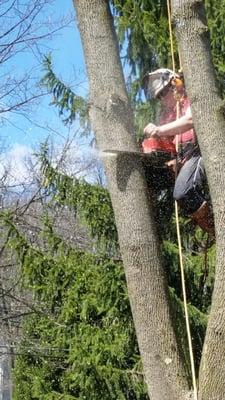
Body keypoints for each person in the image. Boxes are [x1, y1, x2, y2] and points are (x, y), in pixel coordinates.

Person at [143, 68, 214, 236]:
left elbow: (190, 120)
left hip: (197, 152)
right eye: (159, 96)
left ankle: (215, 226)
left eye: (163, 93)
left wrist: (159, 130)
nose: (162, 99)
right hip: (181, 159)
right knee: (148, 176)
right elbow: (165, 144)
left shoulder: (189, 100)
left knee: (183, 191)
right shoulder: (168, 115)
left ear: (174, 85)